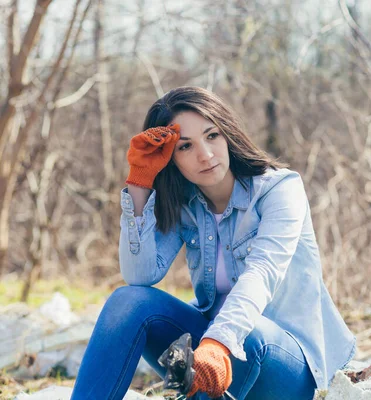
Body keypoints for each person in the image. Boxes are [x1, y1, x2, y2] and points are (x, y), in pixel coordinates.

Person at [70, 86, 356, 400]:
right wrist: (140, 182)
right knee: (128, 301)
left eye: (212, 136)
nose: (204, 155)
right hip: (214, 356)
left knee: (249, 334)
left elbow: (261, 275)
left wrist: (218, 342)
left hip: (291, 367)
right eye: (185, 147)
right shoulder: (185, 204)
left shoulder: (279, 189)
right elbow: (140, 276)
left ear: (227, 133)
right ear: (170, 158)